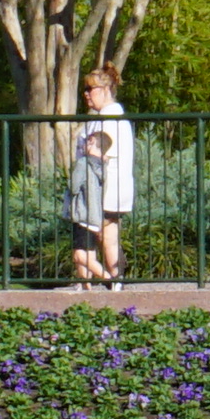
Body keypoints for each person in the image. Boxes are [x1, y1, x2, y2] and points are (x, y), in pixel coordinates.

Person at [65, 70, 134, 289]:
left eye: (90, 89)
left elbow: (99, 158)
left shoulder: (110, 120)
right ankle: (96, 284)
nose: (86, 94)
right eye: (84, 89)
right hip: (102, 189)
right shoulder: (100, 119)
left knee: (104, 237)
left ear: (105, 90)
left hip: (105, 190)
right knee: (99, 238)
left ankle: (113, 281)